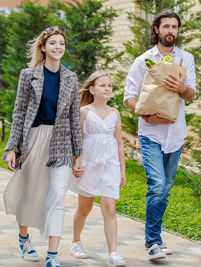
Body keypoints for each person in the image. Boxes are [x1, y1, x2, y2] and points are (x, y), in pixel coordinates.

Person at [2, 26, 82, 267]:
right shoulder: (28, 75)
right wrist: (12, 148)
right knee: (30, 192)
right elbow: (19, 114)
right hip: (33, 139)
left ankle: (52, 255)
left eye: (62, 44)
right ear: (44, 47)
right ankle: (24, 240)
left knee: (58, 195)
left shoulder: (71, 78)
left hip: (60, 144)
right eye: (53, 43)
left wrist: (78, 154)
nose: (58, 47)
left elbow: (74, 119)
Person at [123, 9, 197, 260]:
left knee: (164, 190)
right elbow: (129, 98)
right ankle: (153, 241)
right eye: (166, 27)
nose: (170, 32)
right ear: (156, 29)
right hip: (150, 133)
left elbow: (192, 95)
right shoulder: (143, 60)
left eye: (174, 27)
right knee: (156, 185)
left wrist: (182, 87)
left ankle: (154, 238)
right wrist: (145, 115)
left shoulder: (186, 59)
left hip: (175, 134)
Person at [68, 70, 127, 267]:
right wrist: (75, 161)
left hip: (110, 166)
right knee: (84, 208)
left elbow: (119, 143)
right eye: (102, 85)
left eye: (109, 85)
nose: (107, 88)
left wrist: (123, 171)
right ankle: (76, 241)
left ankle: (113, 253)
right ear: (92, 89)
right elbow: (76, 140)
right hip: (89, 165)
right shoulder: (84, 111)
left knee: (110, 209)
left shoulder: (115, 113)